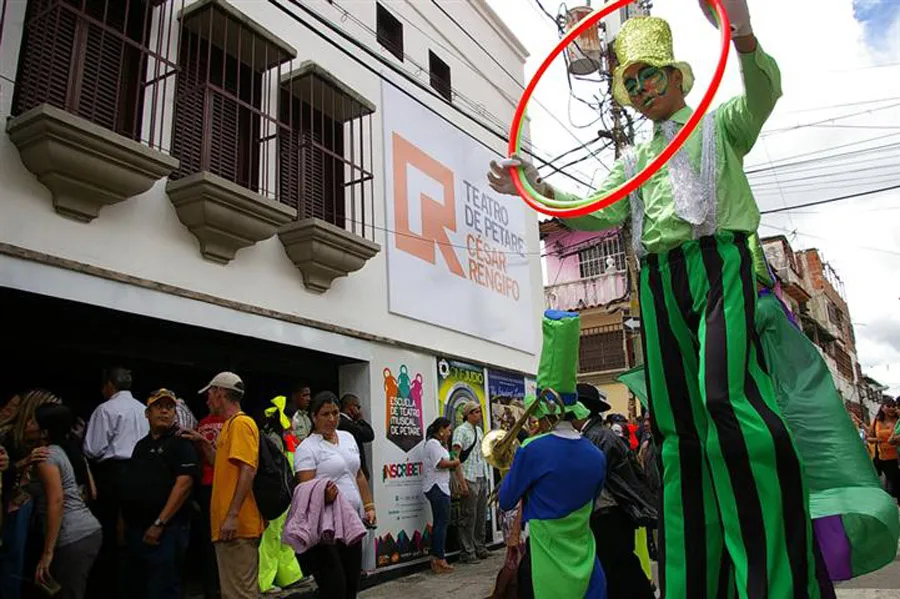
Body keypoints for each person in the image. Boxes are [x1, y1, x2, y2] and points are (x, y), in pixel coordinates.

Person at [488, 4, 830, 596]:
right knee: (677, 432)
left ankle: (776, 579)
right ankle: (694, 581)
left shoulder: (720, 127)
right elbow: (593, 209)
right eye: (632, 79)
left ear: (677, 77)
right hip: (657, 280)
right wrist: (532, 184)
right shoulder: (634, 162)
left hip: (716, 263)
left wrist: (740, 32)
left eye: (651, 74)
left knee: (728, 402)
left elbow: (764, 92)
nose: (642, 87)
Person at [499, 310, 608, 598]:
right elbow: (592, 500)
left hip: (545, 562)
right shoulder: (596, 454)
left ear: (542, 410)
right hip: (586, 561)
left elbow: (506, 499)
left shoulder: (533, 449)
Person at [575, 383, 656, 599]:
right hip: (611, 512)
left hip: (610, 513)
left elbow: (593, 476)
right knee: (617, 567)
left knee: (620, 566)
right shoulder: (598, 434)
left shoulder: (598, 436)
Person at [294, 391, 376, 599]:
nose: (331, 419)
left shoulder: (348, 438)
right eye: (325, 414)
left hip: (352, 522)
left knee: (351, 583)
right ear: (314, 417)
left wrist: (368, 506)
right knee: (334, 586)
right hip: (325, 528)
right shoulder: (307, 448)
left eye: (335, 413)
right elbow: (305, 490)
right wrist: (323, 496)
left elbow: (358, 474)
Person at [120, 389, 200, 599]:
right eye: (158, 406)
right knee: (137, 586)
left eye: (169, 407)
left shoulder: (181, 443)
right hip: (136, 529)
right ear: (147, 413)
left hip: (166, 531)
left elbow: (184, 485)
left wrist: (159, 523)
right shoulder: (141, 446)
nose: (164, 411)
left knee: (162, 588)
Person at [83, 367, 148, 598]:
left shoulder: (106, 409)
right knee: (136, 530)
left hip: (114, 474)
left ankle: (111, 587)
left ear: (110, 385)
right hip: (141, 472)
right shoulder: (143, 409)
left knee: (110, 533)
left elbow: (93, 448)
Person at [197, 371, 264, 599]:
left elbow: (248, 469)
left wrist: (233, 514)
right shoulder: (229, 426)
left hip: (238, 526)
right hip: (229, 527)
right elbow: (224, 466)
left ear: (220, 393)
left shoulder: (241, 424)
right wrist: (203, 444)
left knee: (240, 593)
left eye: (210, 394)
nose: (207, 400)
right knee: (232, 592)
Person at [32, 403, 102, 599]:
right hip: (89, 530)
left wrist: (47, 553)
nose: (27, 425)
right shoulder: (72, 450)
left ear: (44, 430)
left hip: (72, 536)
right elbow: (93, 492)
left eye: (32, 421)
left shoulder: (46, 456)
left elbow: (56, 501)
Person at [0, 390, 59, 599]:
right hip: (11, 509)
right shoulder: (8, 436)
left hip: (29, 512)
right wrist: (20, 464)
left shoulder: (45, 446)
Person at [192, 405, 226, 599]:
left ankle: (211, 589)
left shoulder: (201, 425)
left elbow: (197, 456)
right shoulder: (232, 423)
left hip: (206, 485)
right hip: (222, 485)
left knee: (208, 539)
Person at [451, 401, 489, 564]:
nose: (478, 414)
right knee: (468, 515)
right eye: (475, 412)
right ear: (467, 414)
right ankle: (467, 551)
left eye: (479, 411)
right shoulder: (461, 431)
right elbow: (455, 455)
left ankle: (479, 546)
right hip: (468, 476)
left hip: (481, 475)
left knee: (480, 514)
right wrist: (461, 481)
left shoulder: (479, 430)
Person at [422, 417, 459, 574]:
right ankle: (439, 559)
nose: (449, 433)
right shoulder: (433, 444)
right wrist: (455, 463)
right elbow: (441, 463)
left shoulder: (438, 444)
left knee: (440, 523)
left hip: (441, 487)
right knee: (441, 524)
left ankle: (438, 557)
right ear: (441, 430)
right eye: (448, 430)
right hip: (436, 487)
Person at [337, 394, 375, 481]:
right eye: (358, 407)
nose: (359, 410)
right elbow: (369, 435)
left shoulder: (347, 422)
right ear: (351, 407)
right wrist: (360, 419)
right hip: (353, 474)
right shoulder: (344, 423)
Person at [868, 399, 900, 500]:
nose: (891, 408)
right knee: (894, 483)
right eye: (888, 406)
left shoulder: (898, 419)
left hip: (898, 455)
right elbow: (869, 438)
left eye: (893, 406)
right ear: (882, 407)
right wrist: (878, 440)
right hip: (885, 458)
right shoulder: (876, 422)